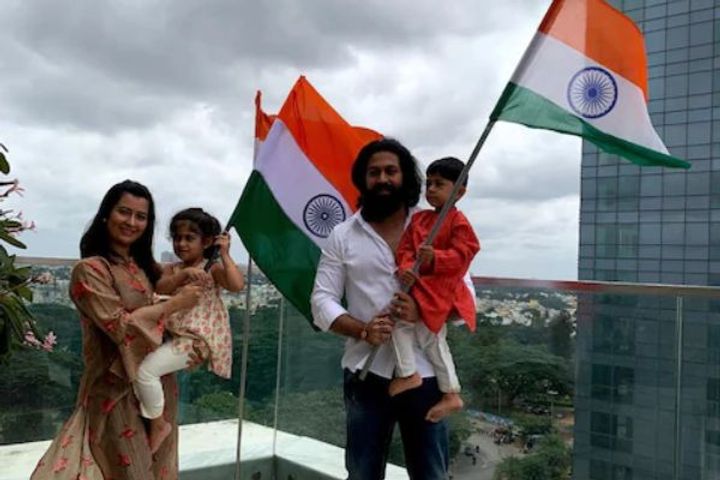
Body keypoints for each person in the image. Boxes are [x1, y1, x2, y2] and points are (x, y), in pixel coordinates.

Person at [31, 180, 201, 480]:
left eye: (141, 216)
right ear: (106, 215)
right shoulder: (91, 270)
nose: (132, 222)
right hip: (115, 391)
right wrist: (173, 305)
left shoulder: (144, 267)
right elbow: (121, 327)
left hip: (157, 390)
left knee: (159, 469)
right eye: (124, 212)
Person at [311, 138, 453, 480]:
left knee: (431, 473)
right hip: (366, 373)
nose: (383, 179)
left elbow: (464, 297)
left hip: (427, 376)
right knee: (362, 473)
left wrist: (424, 312)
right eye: (374, 173)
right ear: (363, 180)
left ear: (406, 177)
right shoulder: (343, 234)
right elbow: (321, 300)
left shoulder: (436, 228)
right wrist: (362, 329)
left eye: (391, 171)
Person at [135, 207, 244, 453]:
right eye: (177, 237)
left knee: (145, 373)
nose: (181, 243)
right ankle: (154, 417)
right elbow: (162, 286)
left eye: (189, 238)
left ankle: (157, 423)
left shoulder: (212, 268)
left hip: (196, 340)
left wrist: (225, 254)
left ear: (206, 242)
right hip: (178, 336)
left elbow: (237, 285)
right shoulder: (174, 269)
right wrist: (184, 274)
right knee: (141, 372)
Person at [390, 157, 480, 423]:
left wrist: (437, 259)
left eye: (439, 184)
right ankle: (408, 373)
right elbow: (405, 249)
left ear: (459, 191)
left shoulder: (458, 222)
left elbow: (466, 253)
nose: (430, 189)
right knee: (400, 325)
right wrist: (405, 267)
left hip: (438, 292)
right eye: (428, 183)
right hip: (418, 287)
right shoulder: (419, 220)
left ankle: (450, 392)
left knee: (432, 339)